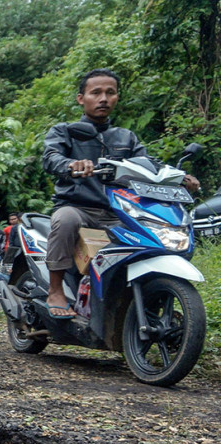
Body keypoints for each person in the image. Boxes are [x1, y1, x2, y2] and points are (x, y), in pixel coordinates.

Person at [42, 68, 200, 318]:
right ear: (81, 98)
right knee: (65, 220)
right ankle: (55, 290)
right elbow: (51, 158)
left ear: (116, 98)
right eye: (96, 93)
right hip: (79, 208)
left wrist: (180, 179)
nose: (103, 98)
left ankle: (145, 299)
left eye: (110, 92)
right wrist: (71, 164)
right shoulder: (66, 131)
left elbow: (150, 165)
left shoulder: (126, 137)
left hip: (121, 211)